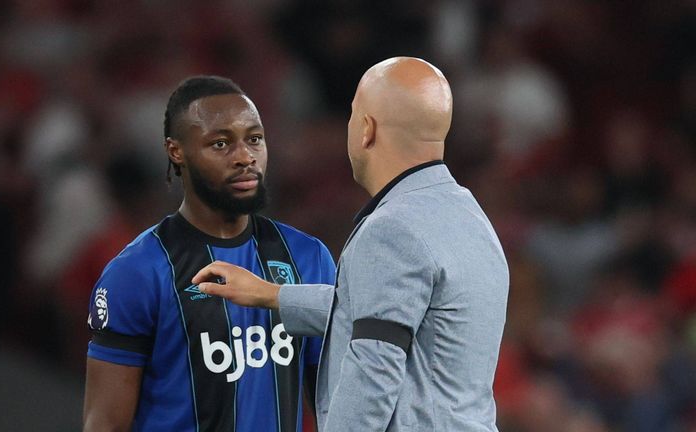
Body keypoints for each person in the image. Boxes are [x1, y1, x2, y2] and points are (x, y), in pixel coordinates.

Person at [194, 57, 510, 431]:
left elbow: (373, 369)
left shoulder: (393, 229)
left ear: (366, 129)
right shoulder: (469, 216)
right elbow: (394, 310)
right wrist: (274, 295)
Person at [83, 76, 336, 432]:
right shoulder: (139, 271)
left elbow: (336, 406)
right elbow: (105, 423)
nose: (245, 157)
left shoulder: (308, 257)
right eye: (220, 144)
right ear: (176, 151)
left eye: (255, 139)